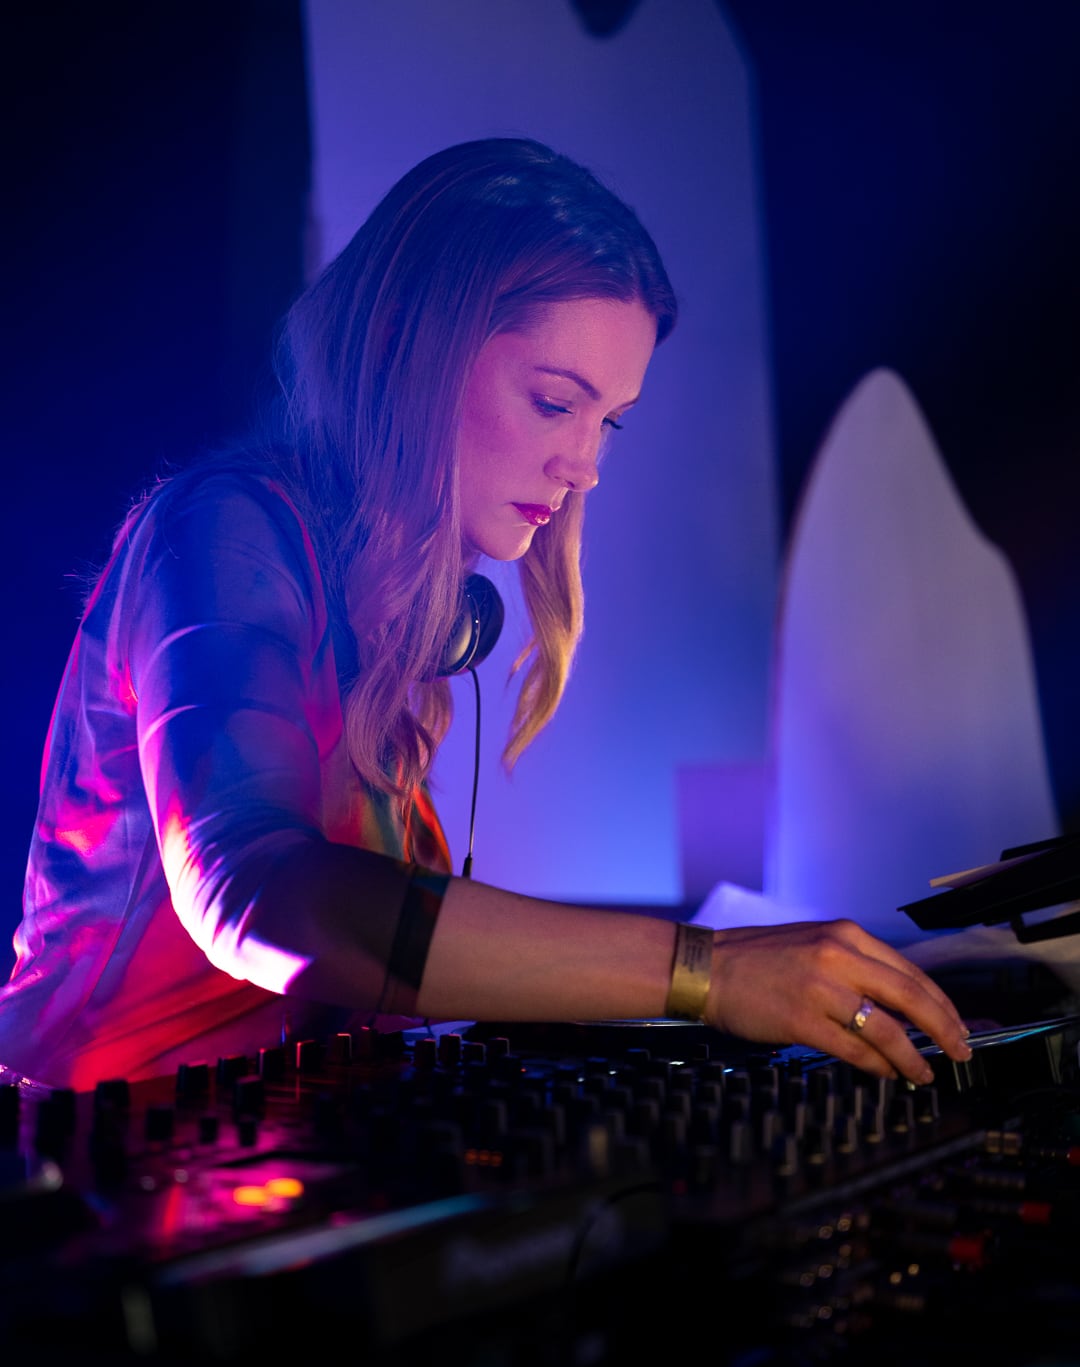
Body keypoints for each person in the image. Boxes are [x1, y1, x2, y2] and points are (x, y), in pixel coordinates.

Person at [0, 137, 971, 1091]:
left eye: (608, 421)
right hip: (91, 1148)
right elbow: (252, 892)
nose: (584, 466)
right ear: (405, 348)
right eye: (554, 403)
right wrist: (705, 972)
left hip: (291, 1133)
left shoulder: (403, 611)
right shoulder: (221, 531)